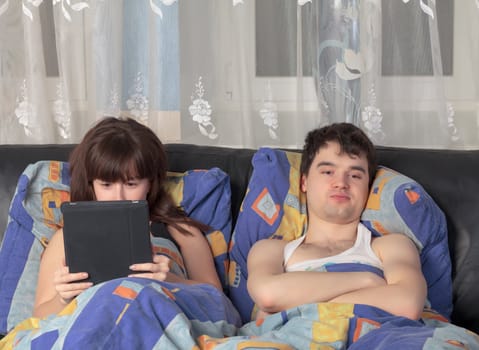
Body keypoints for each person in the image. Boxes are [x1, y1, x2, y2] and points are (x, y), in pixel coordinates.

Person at [33, 116, 222, 318]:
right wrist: (62, 299)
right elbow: (37, 318)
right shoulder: (66, 237)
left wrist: (172, 280)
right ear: (91, 185)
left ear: (150, 183)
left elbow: (220, 304)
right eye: (106, 185)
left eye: (131, 184)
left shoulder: (180, 231)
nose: (118, 197)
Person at [247, 122, 427, 320]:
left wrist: (294, 303)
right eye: (328, 172)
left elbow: (407, 304)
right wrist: (367, 280)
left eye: (355, 175)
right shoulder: (272, 250)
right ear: (304, 182)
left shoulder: (391, 246)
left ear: (368, 186)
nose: (341, 183)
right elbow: (268, 295)